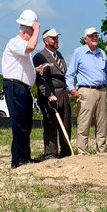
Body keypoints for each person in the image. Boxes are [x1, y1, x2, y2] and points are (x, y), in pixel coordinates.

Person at [3, 10, 40, 168]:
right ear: (27, 31)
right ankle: (17, 159)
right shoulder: (16, 42)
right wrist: (37, 29)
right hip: (14, 86)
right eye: (32, 32)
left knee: (26, 123)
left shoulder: (23, 48)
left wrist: (35, 71)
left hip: (23, 88)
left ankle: (25, 155)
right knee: (18, 124)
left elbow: (23, 65)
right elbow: (31, 47)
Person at [66, 27, 107, 154]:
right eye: (91, 36)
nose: (94, 37)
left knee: (102, 124)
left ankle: (101, 151)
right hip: (86, 90)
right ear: (85, 39)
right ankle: (82, 152)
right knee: (83, 124)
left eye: (96, 35)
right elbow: (70, 74)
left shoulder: (102, 53)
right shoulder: (78, 52)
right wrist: (72, 89)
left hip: (101, 91)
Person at [32, 28, 70, 159]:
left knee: (65, 125)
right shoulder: (39, 57)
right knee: (50, 126)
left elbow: (64, 73)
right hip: (50, 96)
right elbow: (40, 80)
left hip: (63, 95)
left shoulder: (59, 55)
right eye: (53, 38)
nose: (56, 40)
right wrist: (48, 95)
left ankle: (66, 151)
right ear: (45, 40)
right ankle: (50, 154)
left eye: (57, 37)